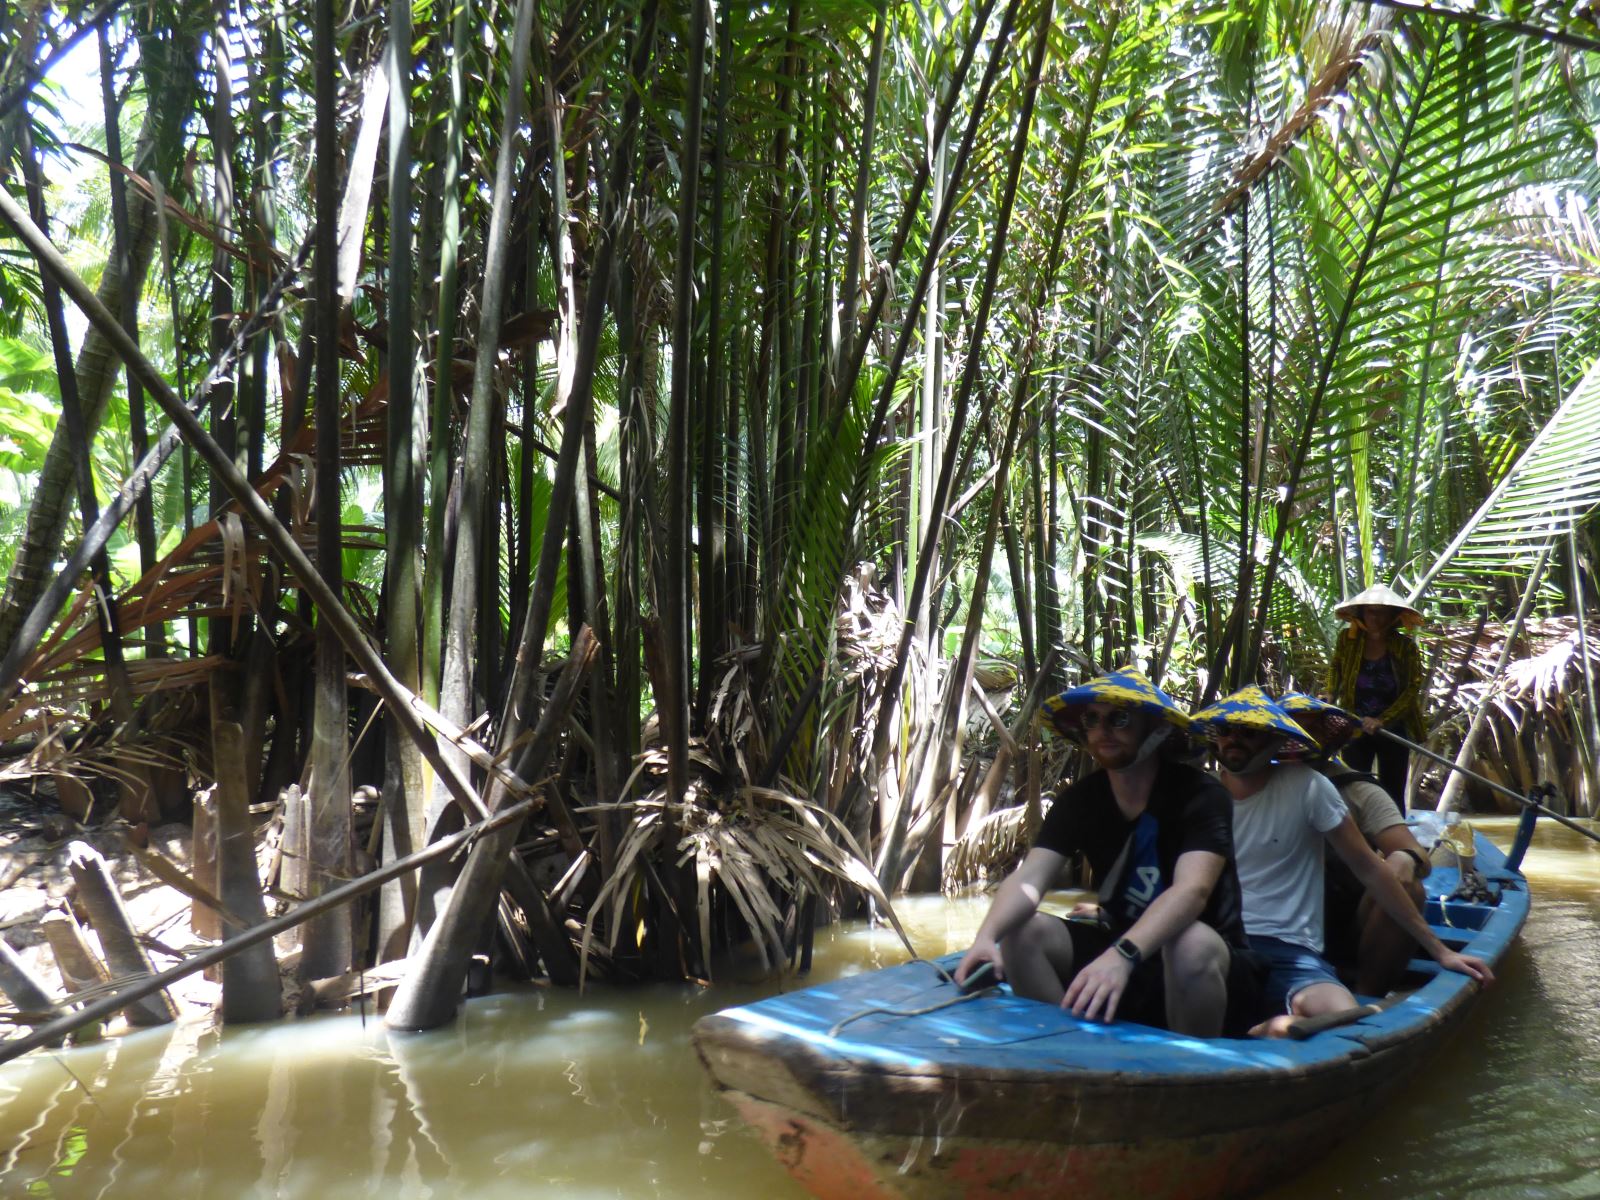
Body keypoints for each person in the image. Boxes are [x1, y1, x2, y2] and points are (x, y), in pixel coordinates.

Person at [953, 668, 1260, 1038]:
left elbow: (1192, 892)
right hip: (1120, 951)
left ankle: (1189, 1074)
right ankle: (1071, 1054)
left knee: (1188, 943)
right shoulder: (1082, 800)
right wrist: (986, 937)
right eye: (1092, 720)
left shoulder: (1202, 796)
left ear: (1155, 729)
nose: (1103, 730)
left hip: (1205, 969)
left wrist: (1123, 955)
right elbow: (1029, 879)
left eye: (1120, 719)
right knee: (1021, 933)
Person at [1189, 686, 1491, 1038]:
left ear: (1275, 739)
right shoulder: (1202, 794)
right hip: (1222, 941)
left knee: (1344, 1020)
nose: (1233, 740)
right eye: (1225, 731)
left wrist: (1439, 950)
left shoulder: (1314, 787)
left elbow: (1371, 867)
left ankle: (1339, 1003)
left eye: (1249, 731)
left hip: (1298, 944)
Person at [1279, 691, 1432, 997]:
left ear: (1328, 735)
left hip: (1344, 920)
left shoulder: (1357, 789)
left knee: (1407, 887)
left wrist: (1405, 859)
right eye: (1292, 729)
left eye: (1311, 729)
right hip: (1277, 917)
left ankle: (1366, 996)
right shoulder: (1256, 781)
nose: (1302, 738)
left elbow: (1417, 854)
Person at [1325, 583, 1427, 809]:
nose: (1376, 618)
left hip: (1393, 728)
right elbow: (1336, 667)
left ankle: (1395, 840)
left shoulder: (1404, 646)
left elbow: (1411, 689)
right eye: (1372, 612)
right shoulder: (1347, 639)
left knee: (1393, 789)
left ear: (1392, 616)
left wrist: (1383, 720)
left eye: (1382, 613)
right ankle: (1361, 839)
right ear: (1362, 613)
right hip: (1356, 723)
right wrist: (1331, 693)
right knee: (1355, 787)